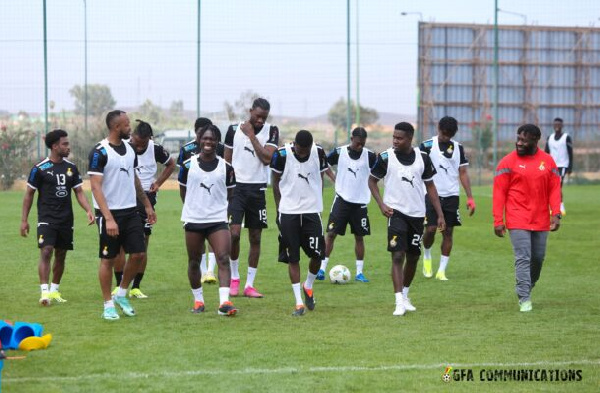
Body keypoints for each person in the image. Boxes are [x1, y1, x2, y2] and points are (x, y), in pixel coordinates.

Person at [368, 122, 445, 316]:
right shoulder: (386, 157)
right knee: (397, 255)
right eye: (393, 137)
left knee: (413, 257)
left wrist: (440, 214)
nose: (395, 140)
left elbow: (431, 188)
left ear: (410, 139)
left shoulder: (423, 158)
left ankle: (405, 294)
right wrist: (381, 204)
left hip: (417, 215)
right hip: (396, 213)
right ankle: (398, 302)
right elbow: (371, 181)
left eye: (399, 138)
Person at [88, 110, 156, 320]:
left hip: (131, 211)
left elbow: (134, 178)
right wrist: (108, 218)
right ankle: (108, 304)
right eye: (127, 125)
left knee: (138, 254)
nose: (131, 129)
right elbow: (96, 188)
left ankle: (122, 294)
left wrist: (146, 205)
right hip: (109, 213)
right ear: (116, 127)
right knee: (108, 260)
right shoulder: (100, 152)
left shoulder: (129, 149)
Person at [20, 129, 95, 305]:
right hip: (46, 217)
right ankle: (44, 293)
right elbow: (29, 194)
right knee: (46, 251)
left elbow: (78, 192)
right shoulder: (39, 169)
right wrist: (24, 220)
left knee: (61, 254)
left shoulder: (71, 167)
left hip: (66, 218)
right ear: (55, 146)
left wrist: (88, 210)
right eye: (65, 144)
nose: (68, 147)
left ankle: (54, 290)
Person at [493, 124, 561, 312]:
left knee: (538, 258)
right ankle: (524, 298)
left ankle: (527, 287)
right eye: (518, 139)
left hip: (541, 219)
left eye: (524, 140)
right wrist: (498, 220)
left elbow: (554, 189)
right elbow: (499, 193)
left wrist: (555, 213)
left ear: (535, 140)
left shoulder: (548, 161)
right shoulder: (507, 162)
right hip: (517, 218)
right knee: (523, 257)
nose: (519, 143)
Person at [112, 120, 175, 298]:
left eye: (143, 143)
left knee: (142, 243)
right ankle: (120, 284)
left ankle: (136, 287)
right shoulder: (123, 147)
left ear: (149, 139)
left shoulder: (155, 149)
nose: (138, 147)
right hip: (124, 196)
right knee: (121, 242)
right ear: (132, 136)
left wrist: (158, 183)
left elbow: (171, 164)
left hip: (147, 197)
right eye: (136, 142)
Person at [179, 124, 237, 316]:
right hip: (194, 219)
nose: (208, 142)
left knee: (223, 258)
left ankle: (224, 303)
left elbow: (230, 193)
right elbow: (183, 191)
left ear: (217, 142)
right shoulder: (188, 165)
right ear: (199, 140)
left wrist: (216, 208)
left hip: (217, 219)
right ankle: (198, 301)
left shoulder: (226, 167)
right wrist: (194, 208)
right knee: (194, 261)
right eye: (205, 138)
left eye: (212, 139)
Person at [224, 98, 279, 298]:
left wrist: (251, 136)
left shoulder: (271, 131)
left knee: (255, 237)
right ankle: (235, 278)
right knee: (235, 234)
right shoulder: (232, 130)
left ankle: (250, 284)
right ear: (250, 111)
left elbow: (267, 159)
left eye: (263, 117)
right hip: (237, 189)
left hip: (257, 190)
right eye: (257, 116)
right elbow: (226, 160)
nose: (260, 121)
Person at [271, 130, 328, 316]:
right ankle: (298, 303)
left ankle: (308, 285)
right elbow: (276, 181)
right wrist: (279, 209)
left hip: (312, 211)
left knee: (318, 254)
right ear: (294, 143)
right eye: (300, 148)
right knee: (293, 257)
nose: (303, 152)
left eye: (306, 149)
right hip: (289, 212)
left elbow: (322, 176)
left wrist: (316, 197)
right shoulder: (281, 154)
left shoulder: (318, 153)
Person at [317, 127, 377, 282]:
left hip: (360, 204)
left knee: (359, 237)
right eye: (358, 143)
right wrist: (333, 176)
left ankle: (359, 273)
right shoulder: (339, 152)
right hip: (341, 201)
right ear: (352, 139)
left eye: (363, 144)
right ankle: (322, 269)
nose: (360, 147)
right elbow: (324, 163)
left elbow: (379, 170)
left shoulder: (369, 155)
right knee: (330, 234)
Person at [420, 116, 475, 281]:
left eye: (449, 135)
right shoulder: (427, 145)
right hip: (430, 194)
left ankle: (441, 271)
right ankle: (427, 255)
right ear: (438, 129)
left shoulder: (458, 147)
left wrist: (470, 197)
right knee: (430, 230)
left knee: (448, 232)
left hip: (451, 195)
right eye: (444, 134)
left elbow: (463, 173)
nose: (446, 137)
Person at [178, 117, 223, 284]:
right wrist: (189, 205)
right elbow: (182, 183)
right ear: (197, 133)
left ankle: (210, 271)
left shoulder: (220, 148)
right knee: (197, 245)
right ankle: (204, 271)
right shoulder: (186, 150)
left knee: (215, 236)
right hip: (195, 207)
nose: (205, 139)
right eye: (201, 134)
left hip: (215, 205)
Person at [544, 117, 573, 215]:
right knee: (551, 187)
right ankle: (553, 206)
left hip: (562, 166)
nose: (557, 126)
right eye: (555, 124)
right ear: (553, 125)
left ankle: (561, 206)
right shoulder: (550, 138)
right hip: (551, 166)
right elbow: (546, 153)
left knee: (558, 186)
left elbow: (570, 153)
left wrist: (570, 167)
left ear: (562, 126)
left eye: (559, 124)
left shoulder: (566, 137)